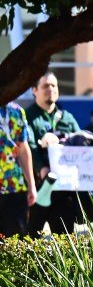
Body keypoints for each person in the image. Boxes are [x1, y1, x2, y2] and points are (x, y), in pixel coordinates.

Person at [26, 72, 82, 235]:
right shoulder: (28, 116)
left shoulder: (67, 118)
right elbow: (28, 146)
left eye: (54, 85)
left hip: (64, 189)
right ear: (34, 90)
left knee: (65, 240)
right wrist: (41, 167)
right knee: (29, 240)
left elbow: (81, 145)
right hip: (38, 187)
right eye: (45, 86)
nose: (50, 89)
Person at [0, 98, 37, 236]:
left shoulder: (17, 111)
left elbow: (23, 148)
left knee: (16, 240)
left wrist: (31, 184)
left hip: (15, 187)